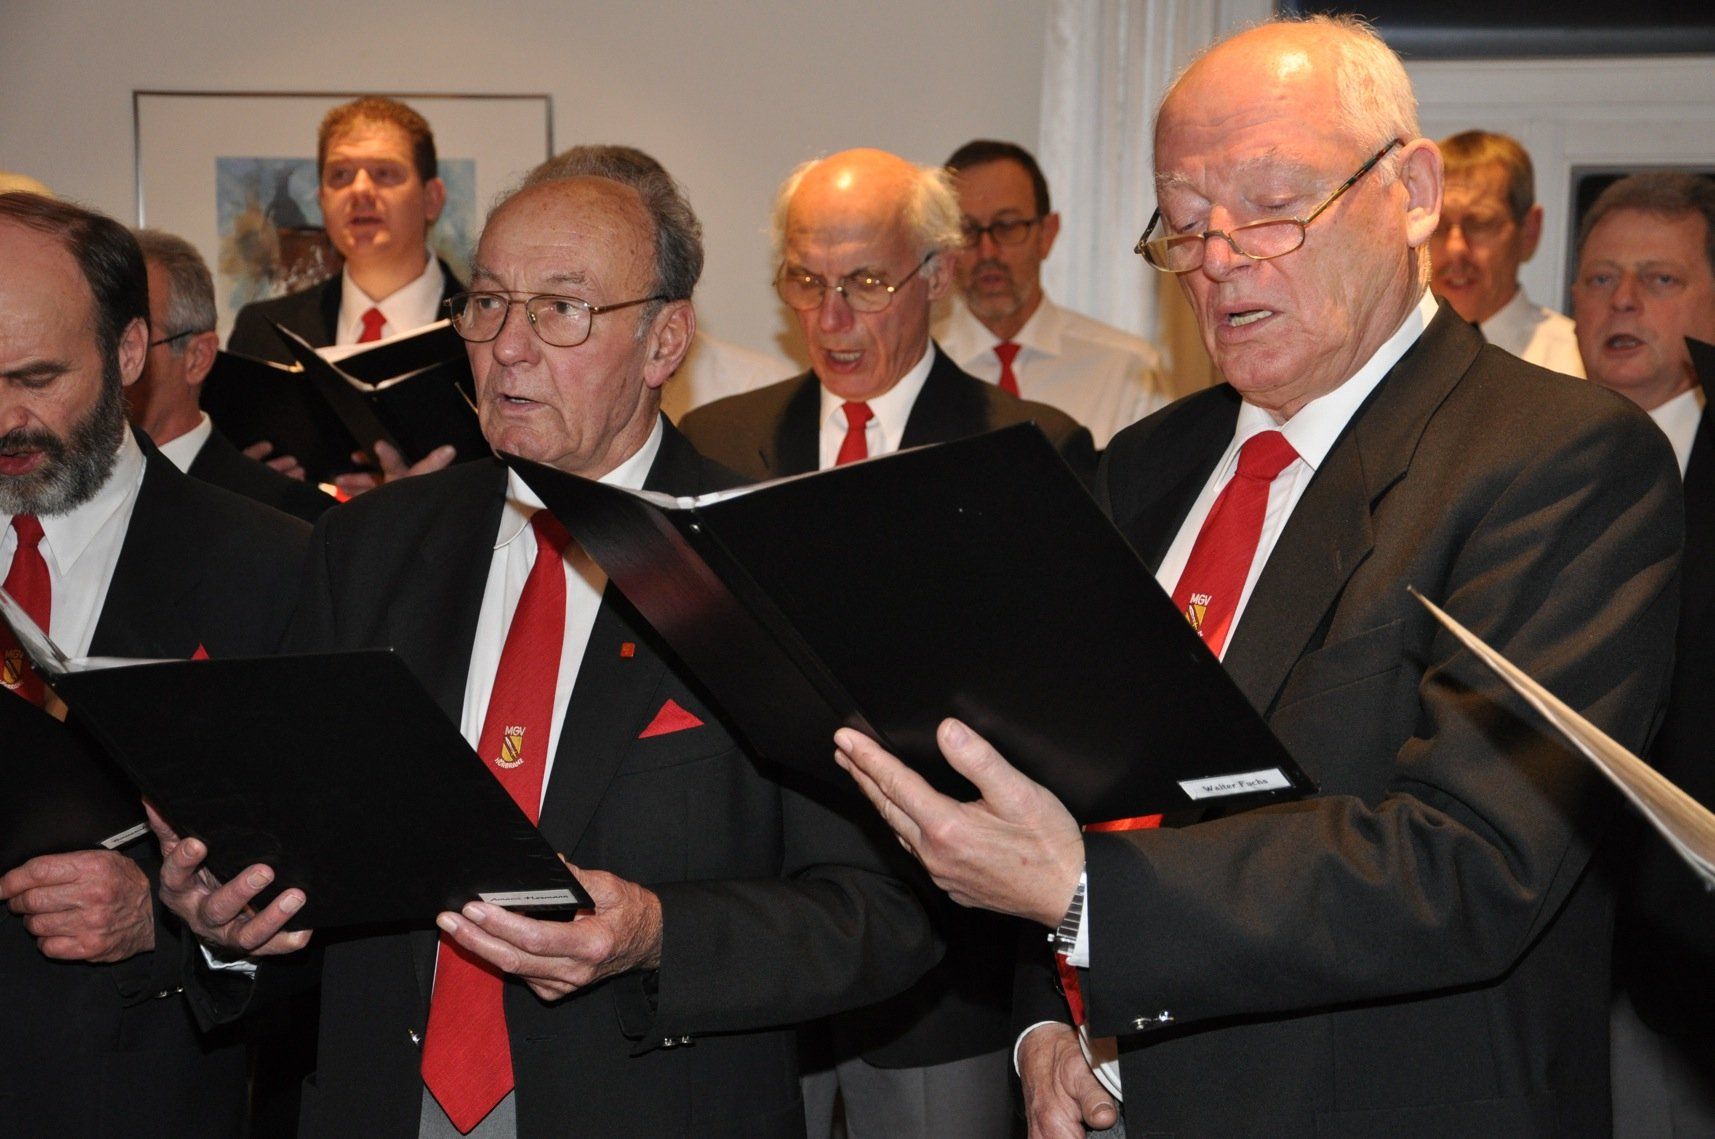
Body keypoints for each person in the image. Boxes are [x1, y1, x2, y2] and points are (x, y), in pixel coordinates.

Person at [833, 17, 1682, 1136]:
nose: (1220, 259)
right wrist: (1048, 1020)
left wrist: (1084, 894)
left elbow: (1472, 862)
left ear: (1412, 193)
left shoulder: (1556, 460)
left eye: (1273, 205)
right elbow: (1071, 786)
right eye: (1184, 223)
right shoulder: (1143, 465)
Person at [156, 148, 939, 1137]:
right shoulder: (369, 547)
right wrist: (227, 923)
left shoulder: (771, 562)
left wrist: (656, 932)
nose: (507, 348)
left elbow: (883, 914)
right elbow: (309, 859)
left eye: (560, 309)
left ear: (663, 341)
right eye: (487, 302)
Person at [680, 146, 1090, 1139]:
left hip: (944, 957)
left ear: (936, 274)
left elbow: (1057, 714)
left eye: (865, 284)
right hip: (757, 939)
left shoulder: (1029, 448)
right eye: (804, 281)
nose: (829, 319)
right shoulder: (716, 439)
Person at [0, 193, 309, 1135]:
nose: (4, 417)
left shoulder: (276, 567)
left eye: (37, 378)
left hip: (130, 1092)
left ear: (131, 351)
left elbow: (340, 913)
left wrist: (168, 923)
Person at [1571, 171, 1715, 1136]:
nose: (1621, 301)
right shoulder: (1513, 466)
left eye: (1658, 279)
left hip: (1690, 974)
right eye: (1599, 279)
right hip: (1537, 964)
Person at [227, 95, 461, 491]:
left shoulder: (487, 332)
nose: (360, 190)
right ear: (322, 200)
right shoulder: (262, 332)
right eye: (340, 176)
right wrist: (244, 483)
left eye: (385, 173)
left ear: (431, 198)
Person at [934, 139, 1169, 447]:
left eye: (1007, 226)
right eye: (967, 230)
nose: (987, 252)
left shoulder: (1127, 369)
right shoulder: (918, 371)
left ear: (1046, 234)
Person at [130, 228, 335, 521]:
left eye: (132, 343)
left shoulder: (288, 513)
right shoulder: (69, 494)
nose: (109, 364)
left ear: (197, 358)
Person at [1431, 129, 1584, 375]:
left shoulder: (1578, 363)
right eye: (1437, 227)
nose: (1455, 248)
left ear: (1529, 231)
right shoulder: (1386, 356)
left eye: (1480, 224)